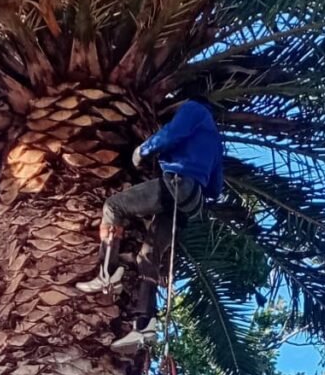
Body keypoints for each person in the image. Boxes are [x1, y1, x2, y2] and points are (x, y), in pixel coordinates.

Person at [77, 98, 223, 352]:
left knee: (114, 207)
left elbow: (172, 133)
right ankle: (144, 324)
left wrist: (143, 150)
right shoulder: (215, 139)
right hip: (192, 202)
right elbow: (216, 187)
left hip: (177, 183)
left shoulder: (194, 109)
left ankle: (107, 273)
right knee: (149, 255)